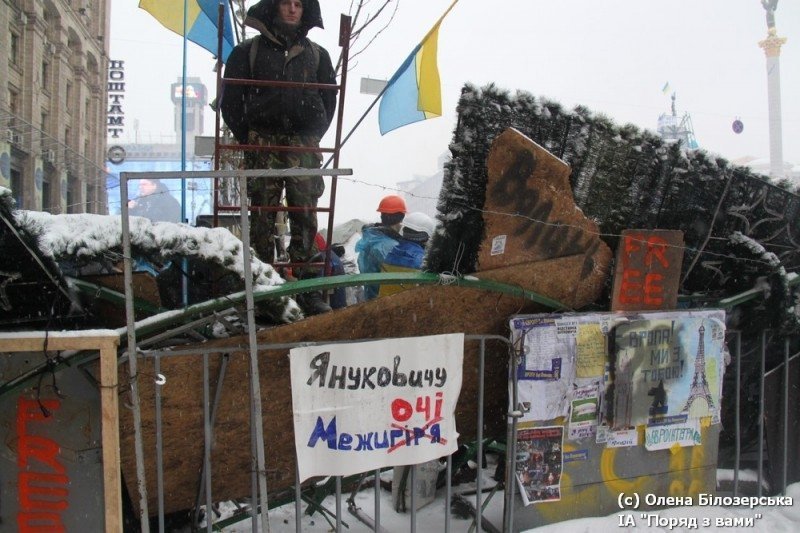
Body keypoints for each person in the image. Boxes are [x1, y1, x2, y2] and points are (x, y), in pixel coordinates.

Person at [220, 0, 336, 314]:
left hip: (303, 144)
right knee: (261, 214)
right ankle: (262, 287)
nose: (292, 10)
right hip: (262, 142)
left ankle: (307, 287)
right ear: (274, 7)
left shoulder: (318, 56)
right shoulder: (247, 52)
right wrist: (250, 137)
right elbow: (230, 101)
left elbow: (329, 101)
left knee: (305, 212)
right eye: (286, 3)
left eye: (299, 4)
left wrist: (310, 135)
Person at [355, 195, 406, 300]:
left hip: (371, 297)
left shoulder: (371, 238)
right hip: (385, 300)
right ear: (401, 219)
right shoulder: (389, 246)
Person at [379, 212, 436, 297]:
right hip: (408, 303)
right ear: (425, 237)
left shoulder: (391, 253)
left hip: (384, 302)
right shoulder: (421, 260)